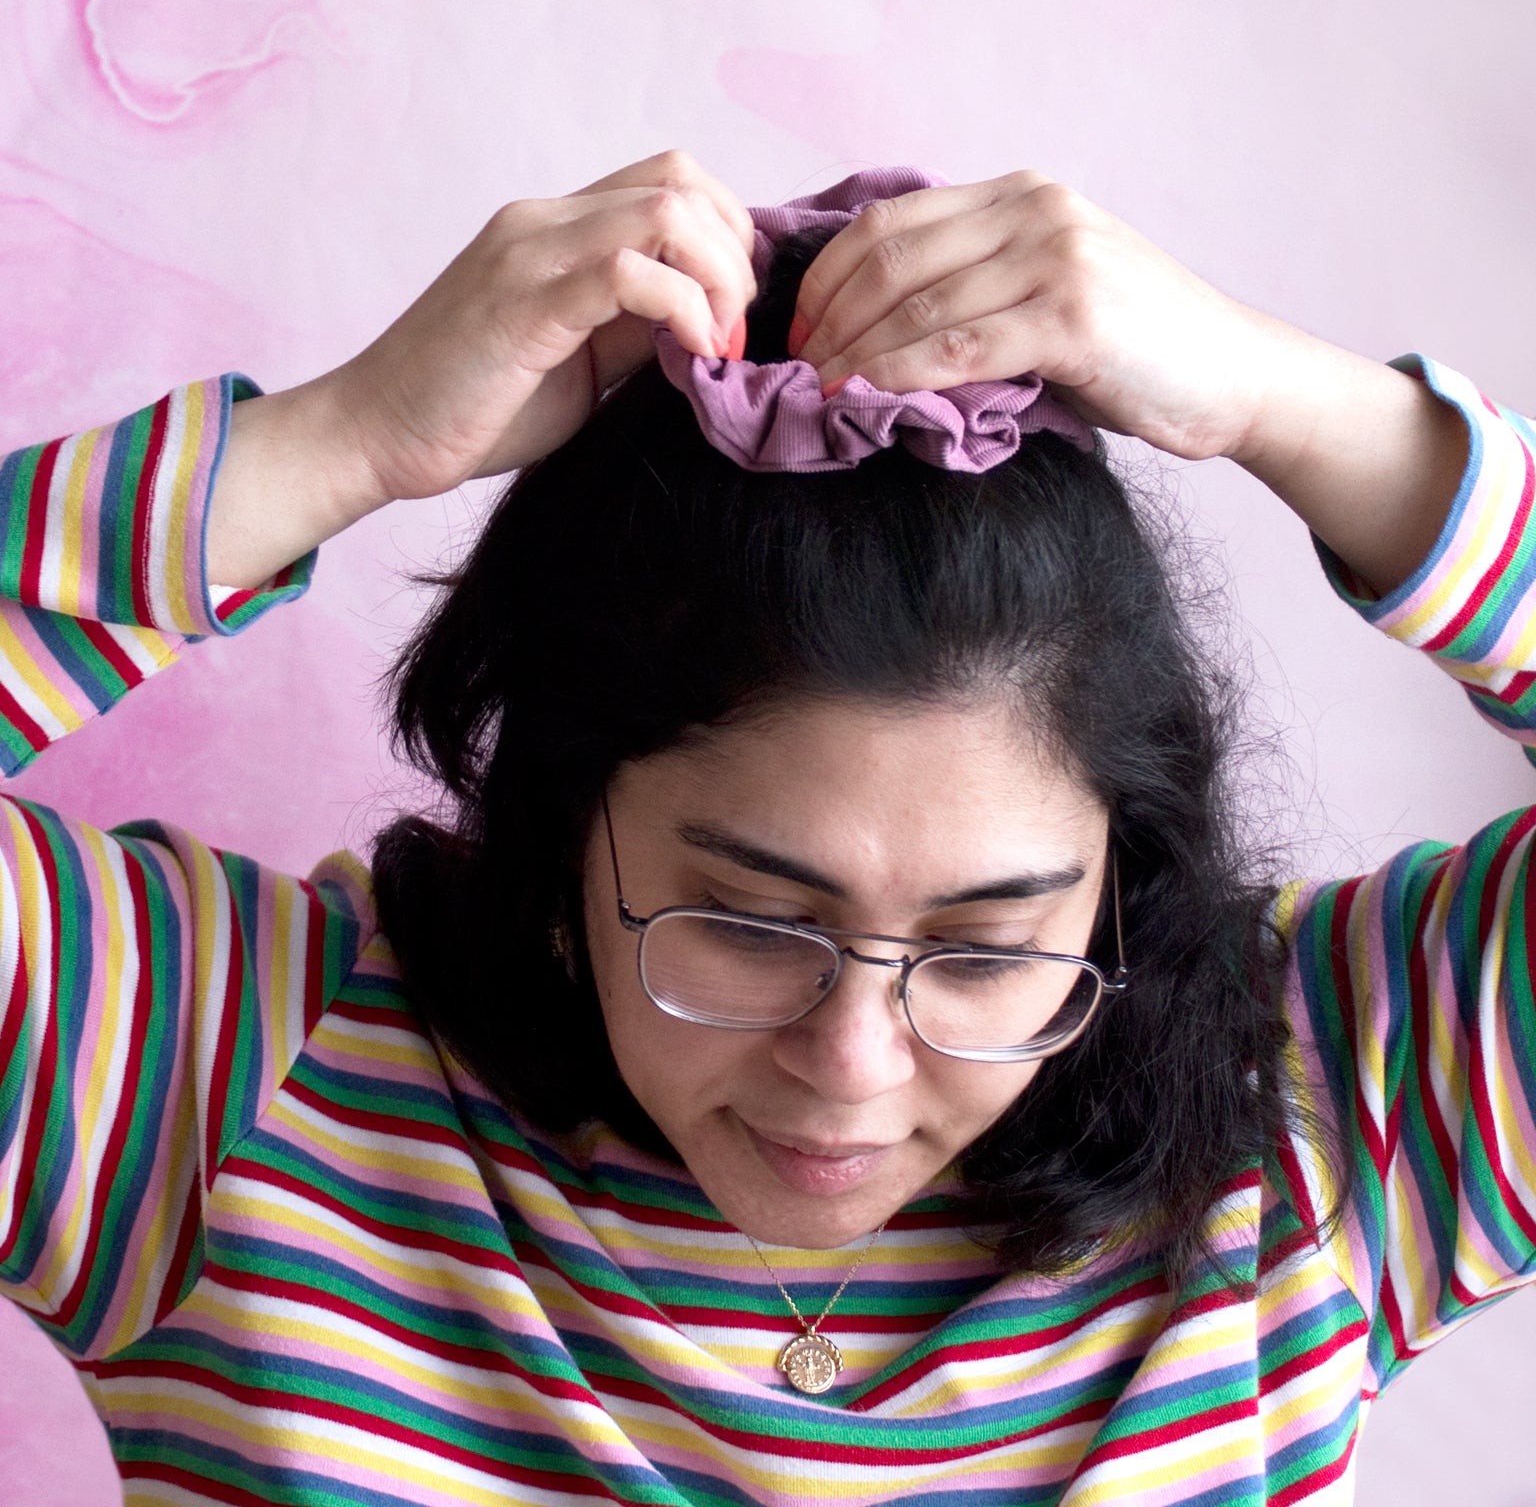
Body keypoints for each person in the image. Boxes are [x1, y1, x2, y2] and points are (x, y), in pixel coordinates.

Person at [0, 151, 1527, 1507]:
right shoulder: (226, 1082)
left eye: (988, 950)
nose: (852, 1069)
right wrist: (342, 440)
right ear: (566, 822)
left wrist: (1289, 402)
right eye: (745, 924)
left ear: (1116, 892)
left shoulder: (1326, 1108)